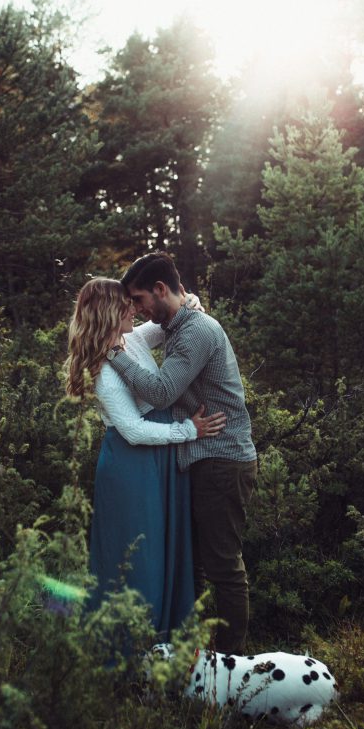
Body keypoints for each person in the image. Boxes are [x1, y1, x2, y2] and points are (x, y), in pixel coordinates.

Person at [106, 253, 257, 655]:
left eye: (138, 300)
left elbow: (159, 393)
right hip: (203, 457)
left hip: (222, 459)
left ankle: (232, 663)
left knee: (223, 564)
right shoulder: (177, 323)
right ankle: (198, 656)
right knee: (197, 564)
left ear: (160, 290)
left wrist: (114, 355)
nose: (135, 311)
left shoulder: (194, 332)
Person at [65, 277, 226, 640]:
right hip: (131, 466)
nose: (135, 310)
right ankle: (129, 649)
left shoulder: (130, 340)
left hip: (158, 461)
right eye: (128, 304)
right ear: (111, 311)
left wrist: (187, 299)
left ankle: (166, 640)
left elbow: (171, 318)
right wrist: (189, 431)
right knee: (139, 558)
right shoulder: (105, 370)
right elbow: (134, 431)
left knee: (163, 548)